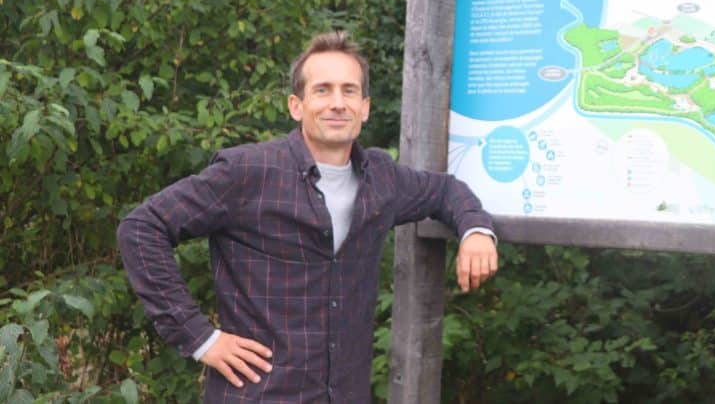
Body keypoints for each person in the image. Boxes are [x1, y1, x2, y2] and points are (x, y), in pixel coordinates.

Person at [118, 30, 498, 402]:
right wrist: (200, 337)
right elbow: (141, 228)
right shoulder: (248, 172)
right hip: (261, 394)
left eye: (349, 91)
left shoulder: (382, 179)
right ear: (296, 106)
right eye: (322, 90)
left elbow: (445, 191)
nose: (337, 103)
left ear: (365, 107)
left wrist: (476, 230)